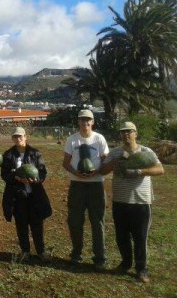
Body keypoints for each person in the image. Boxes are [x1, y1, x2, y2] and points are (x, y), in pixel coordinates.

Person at [100, 122, 164, 283]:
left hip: (141, 202)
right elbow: (103, 170)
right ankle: (126, 263)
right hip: (120, 200)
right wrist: (117, 160)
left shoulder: (146, 152)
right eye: (123, 132)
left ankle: (141, 269)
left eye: (129, 132)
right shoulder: (115, 152)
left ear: (136, 133)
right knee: (122, 236)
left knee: (140, 237)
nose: (126, 135)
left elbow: (160, 169)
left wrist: (139, 171)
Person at [62, 109, 109, 270]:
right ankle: (76, 254)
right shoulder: (72, 140)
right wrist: (76, 173)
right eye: (82, 120)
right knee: (75, 221)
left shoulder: (99, 139)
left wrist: (97, 172)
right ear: (78, 122)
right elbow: (66, 163)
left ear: (93, 122)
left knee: (98, 222)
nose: (85, 123)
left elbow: (105, 161)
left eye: (88, 120)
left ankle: (100, 257)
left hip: (96, 184)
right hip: (77, 185)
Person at [1, 127, 52, 262]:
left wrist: (37, 179)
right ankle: (25, 252)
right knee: (21, 224)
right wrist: (16, 178)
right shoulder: (8, 155)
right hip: (18, 196)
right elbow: (4, 174)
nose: (18, 139)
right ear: (13, 138)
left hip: (34, 195)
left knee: (37, 224)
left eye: (20, 136)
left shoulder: (35, 154)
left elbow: (42, 172)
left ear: (25, 137)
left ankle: (41, 251)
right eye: (15, 137)